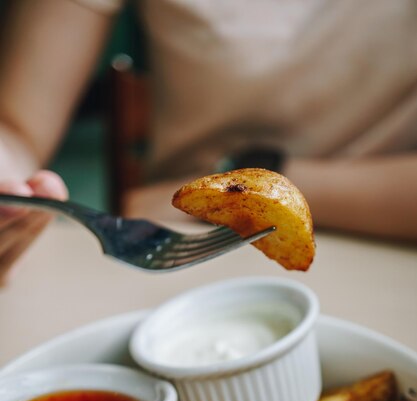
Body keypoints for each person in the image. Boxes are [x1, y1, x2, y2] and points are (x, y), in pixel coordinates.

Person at [1, 0, 417, 285]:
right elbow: (15, 123)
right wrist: (7, 170)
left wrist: (250, 194)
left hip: (392, 261)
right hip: (175, 263)